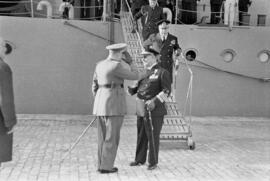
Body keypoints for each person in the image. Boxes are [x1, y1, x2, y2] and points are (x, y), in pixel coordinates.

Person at [92, 43, 150, 174]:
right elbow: (135, 75)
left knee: (102, 137)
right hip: (114, 105)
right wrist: (131, 62)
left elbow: (94, 87)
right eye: (123, 54)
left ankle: (101, 164)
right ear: (120, 53)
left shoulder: (99, 64)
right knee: (112, 137)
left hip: (100, 105)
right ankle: (106, 167)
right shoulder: (116, 66)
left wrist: (100, 103)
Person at [128, 47, 171, 170]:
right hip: (141, 107)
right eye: (142, 57)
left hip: (154, 110)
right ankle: (139, 159)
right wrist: (131, 88)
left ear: (154, 57)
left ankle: (152, 162)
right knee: (141, 134)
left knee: (152, 135)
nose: (143, 59)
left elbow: (167, 91)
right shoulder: (144, 73)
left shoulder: (163, 72)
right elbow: (135, 90)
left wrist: (155, 101)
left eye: (146, 57)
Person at [0, 37, 16, 167]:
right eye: (3, 46)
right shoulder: (3, 68)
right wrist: (10, 122)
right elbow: (6, 98)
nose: (5, 49)